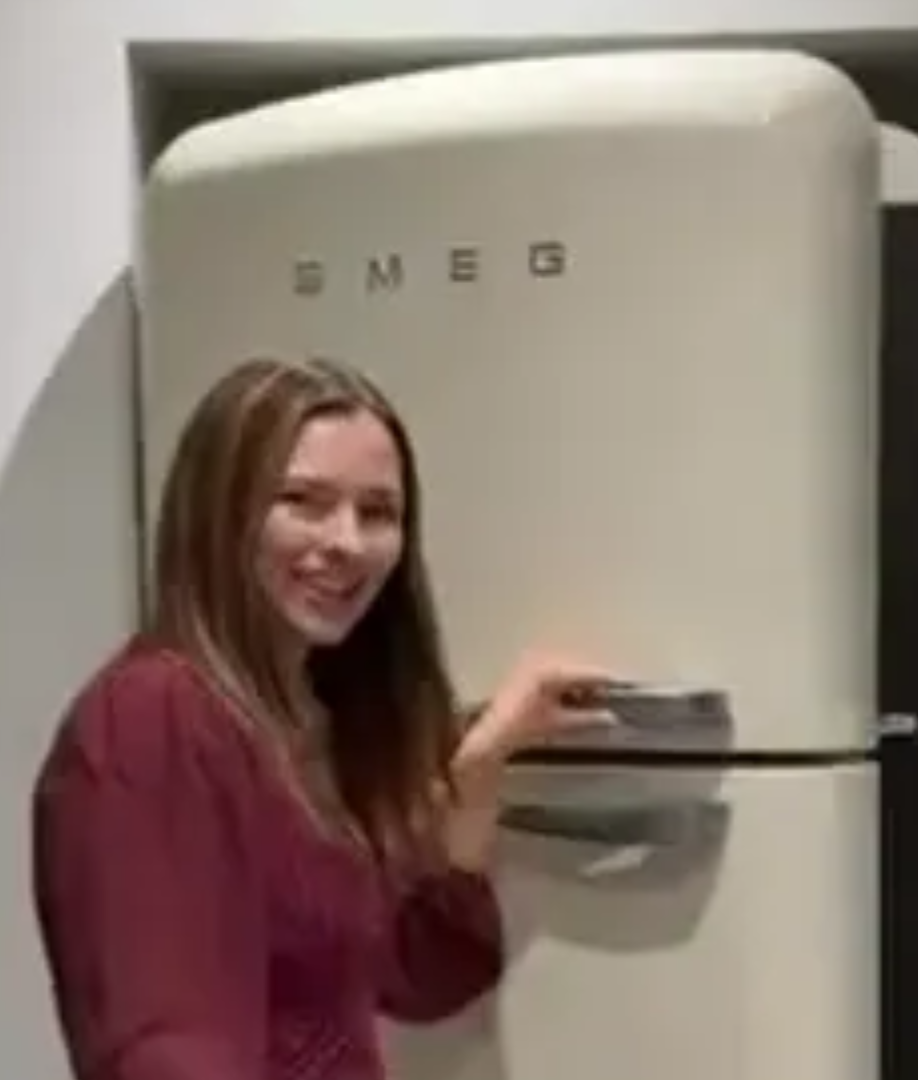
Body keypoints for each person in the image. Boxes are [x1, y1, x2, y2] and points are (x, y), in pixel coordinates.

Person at [32, 356, 609, 1080]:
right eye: (303, 500)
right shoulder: (153, 720)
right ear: (220, 513)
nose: (346, 541)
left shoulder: (304, 721)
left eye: (378, 513)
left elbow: (417, 973)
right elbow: (168, 1052)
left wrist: (478, 769)